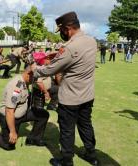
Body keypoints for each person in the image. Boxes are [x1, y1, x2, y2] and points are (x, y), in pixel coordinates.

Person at [32, 11, 99, 166]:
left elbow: (50, 70)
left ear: (67, 29)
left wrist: (35, 69)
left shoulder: (69, 48)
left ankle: (66, 160)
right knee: (86, 125)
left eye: (61, 30)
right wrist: (59, 54)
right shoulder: (91, 41)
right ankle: (91, 154)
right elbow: (76, 58)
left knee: (67, 130)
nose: (62, 34)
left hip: (70, 98)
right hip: (87, 95)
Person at [0, 66, 49, 150]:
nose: (35, 80)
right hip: (9, 117)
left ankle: (33, 139)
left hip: (23, 113)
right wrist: (12, 132)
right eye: (34, 78)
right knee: (9, 145)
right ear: (28, 74)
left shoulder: (25, 81)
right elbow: (9, 111)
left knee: (43, 115)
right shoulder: (16, 87)